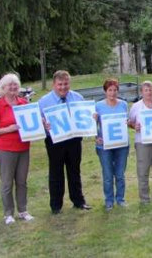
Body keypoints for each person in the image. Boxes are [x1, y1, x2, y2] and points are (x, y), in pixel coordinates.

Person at [38, 70, 91, 214]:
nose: (63, 87)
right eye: (60, 84)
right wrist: (43, 124)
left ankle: (78, 201)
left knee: (74, 170)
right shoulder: (43, 102)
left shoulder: (78, 98)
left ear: (69, 83)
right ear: (54, 84)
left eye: (66, 84)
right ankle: (56, 206)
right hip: (54, 141)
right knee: (56, 172)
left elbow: (86, 117)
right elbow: (37, 123)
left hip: (74, 139)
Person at [0, 73, 34, 224]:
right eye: (9, 85)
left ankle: (22, 210)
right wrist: (9, 129)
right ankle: (8, 213)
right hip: (5, 149)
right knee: (7, 183)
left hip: (23, 147)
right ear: (3, 88)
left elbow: (31, 123)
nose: (13, 87)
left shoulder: (23, 103)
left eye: (15, 84)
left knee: (22, 181)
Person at [94, 79, 131, 210]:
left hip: (121, 144)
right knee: (108, 175)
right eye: (110, 90)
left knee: (120, 174)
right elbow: (92, 125)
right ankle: (109, 200)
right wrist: (96, 137)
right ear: (105, 91)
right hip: (104, 146)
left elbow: (127, 121)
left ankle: (120, 199)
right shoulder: (98, 106)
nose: (113, 93)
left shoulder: (123, 105)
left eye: (115, 90)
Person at [128, 80, 152, 203]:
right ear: (142, 92)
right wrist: (135, 126)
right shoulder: (136, 106)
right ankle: (144, 198)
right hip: (142, 142)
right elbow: (130, 122)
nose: (149, 92)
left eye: (151, 89)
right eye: (146, 90)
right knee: (143, 170)